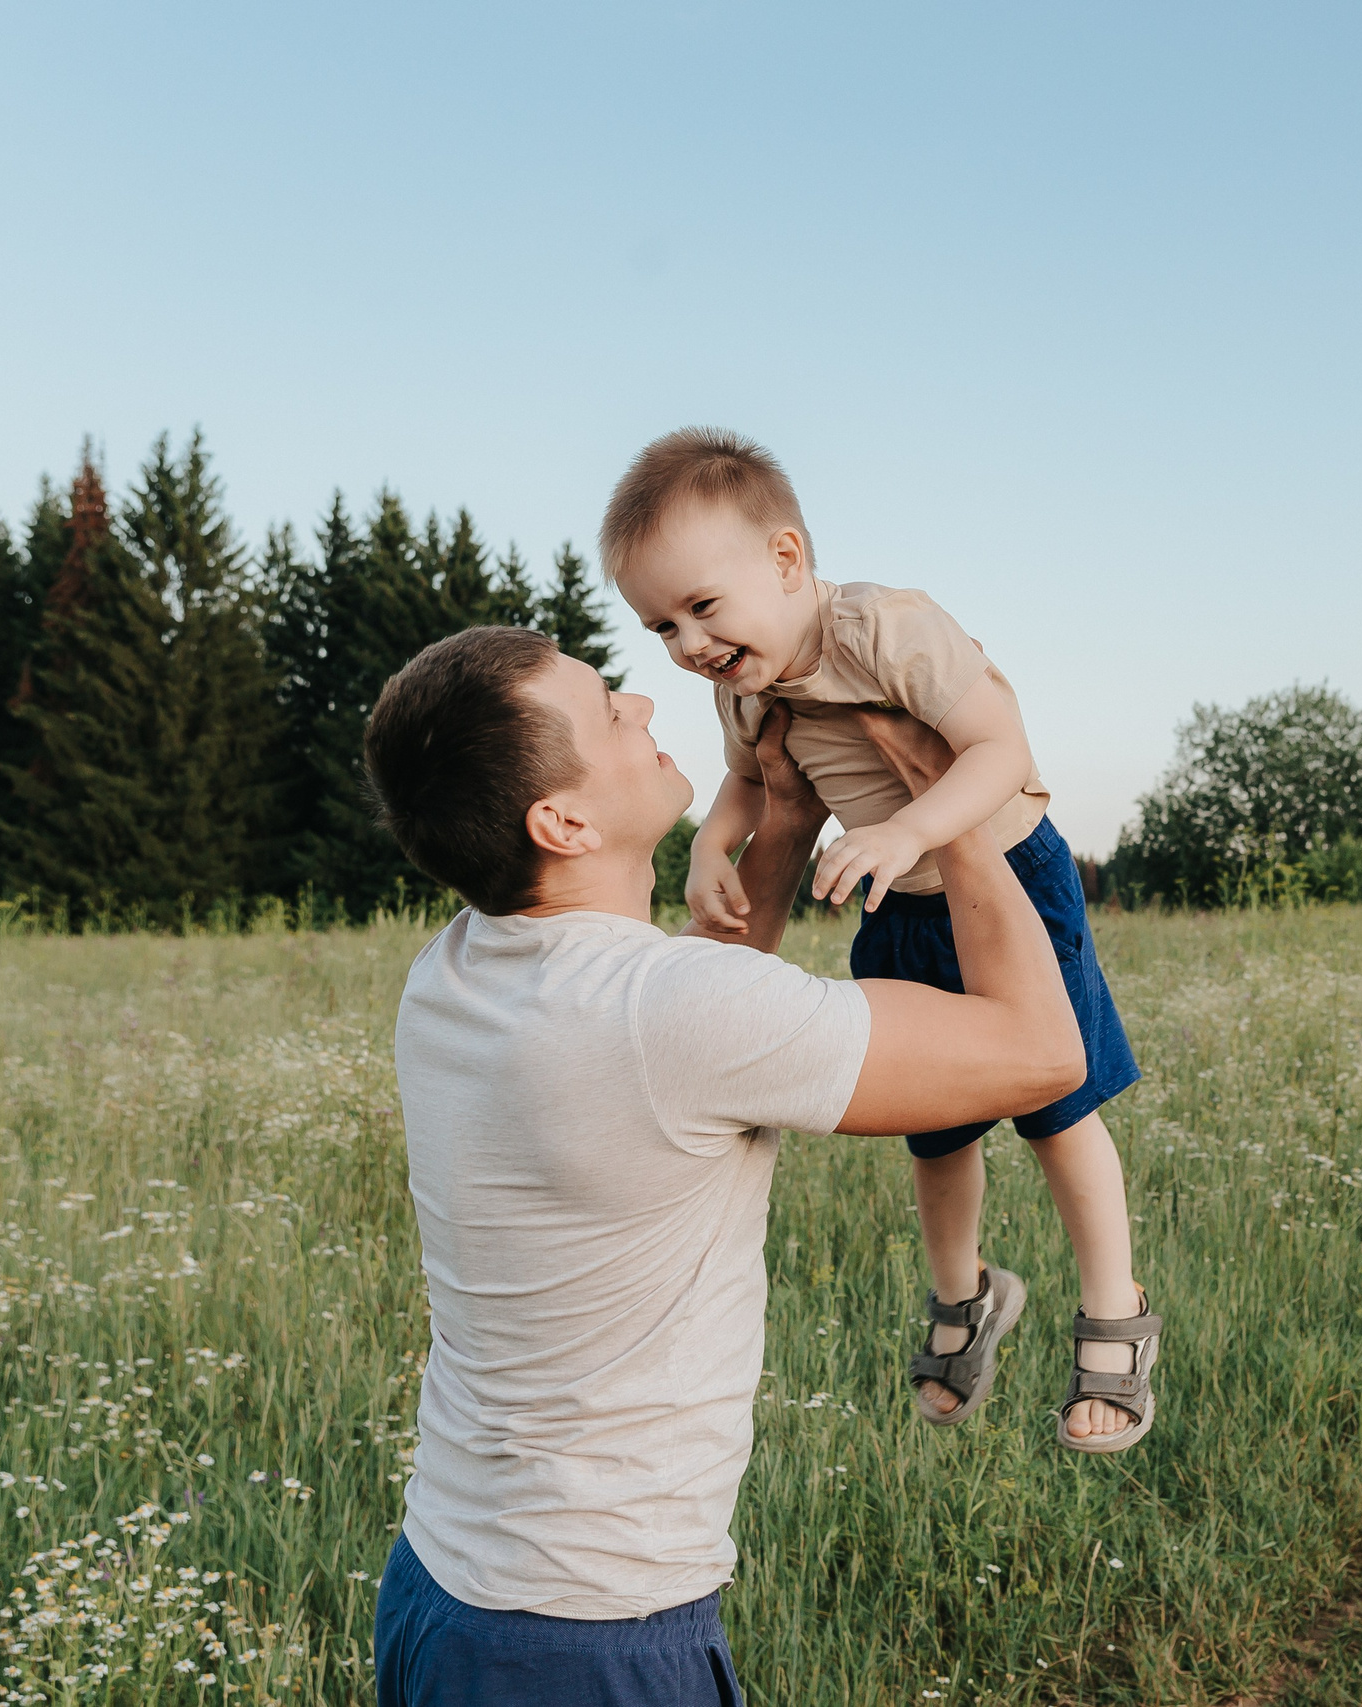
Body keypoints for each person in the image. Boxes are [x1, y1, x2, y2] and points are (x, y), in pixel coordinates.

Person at [360, 624, 1089, 1706]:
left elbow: (675, 1025)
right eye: (608, 711)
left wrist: (785, 821)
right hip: (587, 1639)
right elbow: (1042, 1052)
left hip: (442, 1591)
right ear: (562, 822)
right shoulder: (670, 1013)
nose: (645, 706)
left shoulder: (456, 967)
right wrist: (953, 810)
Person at [597, 427, 1158, 1453]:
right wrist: (712, 844)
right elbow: (745, 783)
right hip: (896, 903)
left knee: (1058, 1110)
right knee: (936, 1125)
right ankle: (964, 1295)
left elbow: (1000, 748)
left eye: (703, 606)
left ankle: (1114, 1310)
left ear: (786, 558)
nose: (688, 643)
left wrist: (909, 829)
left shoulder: (886, 630)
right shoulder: (743, 686)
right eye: (661, 626)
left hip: (1007, 877)